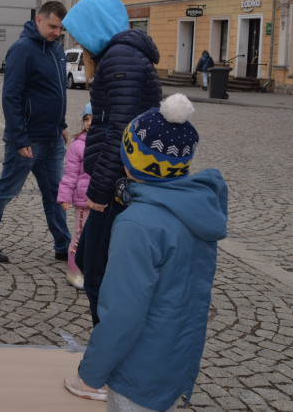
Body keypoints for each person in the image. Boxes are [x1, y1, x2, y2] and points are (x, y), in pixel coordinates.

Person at [65, 94, 228, 410]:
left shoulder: (137, 224)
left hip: (137, 374)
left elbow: (123, 312)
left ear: (131, 159)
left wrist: (92, 371)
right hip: (173, 360)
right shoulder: (196, 209)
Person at [61, 0, 161, 325]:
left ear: (94, 27)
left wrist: (99, 193)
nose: (75, 39)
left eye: (78, 31)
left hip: (116, 188)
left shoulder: (120, 59)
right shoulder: (122, 56)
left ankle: (103, 362)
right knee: (90, 261)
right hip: (117, 182)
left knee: (100, 275)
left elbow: (120, 129)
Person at [0, 1, 71, 264]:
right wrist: (19, 138)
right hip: (28, 140)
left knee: (55, 193)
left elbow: (58, 92)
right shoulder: (22, 49)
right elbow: (11, 97)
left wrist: (61, 125)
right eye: (52, 26)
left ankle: (63, 244)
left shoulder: (57, 49)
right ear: (38, 20)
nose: (56, 32)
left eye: (60, 28)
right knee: (6, 189)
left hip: (52, 139)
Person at [57, 102, 92, 289]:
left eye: (93, 119)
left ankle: (92, 270)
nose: (89, 123)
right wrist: (65, 196)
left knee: (99, 237)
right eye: (86, 119)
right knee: (80, 235)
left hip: (102, 200)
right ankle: (73, 272)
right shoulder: (77, 146)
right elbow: (70, 174)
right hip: (83, 201)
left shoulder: (109, 143)